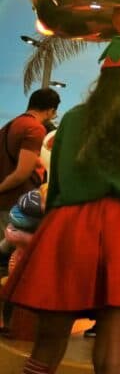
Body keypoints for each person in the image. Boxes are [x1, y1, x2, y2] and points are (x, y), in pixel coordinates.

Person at [2, 36, 120, 374]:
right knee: (112, 355)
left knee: (48, 343)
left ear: (103, 79)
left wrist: (51, 231)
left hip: (69, 228)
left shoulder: (72, 120)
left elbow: (57, 188)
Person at [0, 88, 60, 256]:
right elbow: (22, 173)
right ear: (50, 110)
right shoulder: (34, 128)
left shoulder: (9, 125)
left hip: (5, 202)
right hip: (16, 203)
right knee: (11, 260)